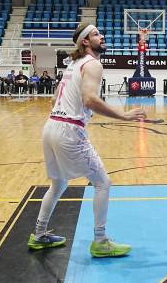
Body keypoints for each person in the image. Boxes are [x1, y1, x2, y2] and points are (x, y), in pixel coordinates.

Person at [28, 22, 146, 257]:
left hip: (51, 126)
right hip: (69, 131)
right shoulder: (93, 64)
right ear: (85, 42)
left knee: (59, 184)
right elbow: (90, 99)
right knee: (103, 183)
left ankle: (39, 234)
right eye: (95, 34)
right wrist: (122, 115)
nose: (101, 37)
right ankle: (100, 240)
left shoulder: (73, 64)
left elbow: (54, 101)